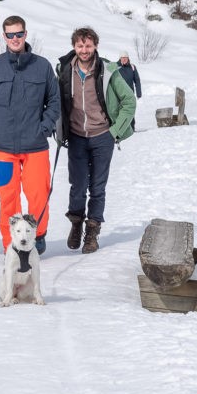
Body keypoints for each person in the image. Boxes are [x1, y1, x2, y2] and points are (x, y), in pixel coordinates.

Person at [0, 15, 60, 255]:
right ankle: (10, 243)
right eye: (10, 35)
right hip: (2, 146)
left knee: (38, 194)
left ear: (26, 34)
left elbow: (54, 100)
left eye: (19, 34)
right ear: (4, 37)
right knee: (9, 198)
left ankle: (39, 234)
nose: (15, 39)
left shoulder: (42, 65)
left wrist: (44, 127)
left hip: (35, 144)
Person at [56, 27, 136, 254]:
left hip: (103, 136)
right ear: (74, 46)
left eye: (88, 46)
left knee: (97, 187)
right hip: (77, 137)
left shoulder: (108, 70)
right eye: (80, 46)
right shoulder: (63, 69)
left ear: (95, 47)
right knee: (78, 185)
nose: (84, 50)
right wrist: (59, 130)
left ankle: (92, 231)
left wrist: (115, 132)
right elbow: (55, 102)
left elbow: (129, 101)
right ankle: (76, 223)